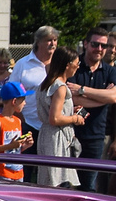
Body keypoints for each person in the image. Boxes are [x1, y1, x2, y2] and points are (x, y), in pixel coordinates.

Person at [68, 28, 116, 189]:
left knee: (89, 186)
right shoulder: (73, 65)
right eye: (95, 44)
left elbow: (113, 97)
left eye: (103, 46)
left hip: (96, 137)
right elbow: (70, 97)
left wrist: (82, 90)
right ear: (85, 44)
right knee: (68, 185)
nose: (99, 49)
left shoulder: (110, 71)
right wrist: (102, 97)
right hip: (70, 134)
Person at [36, 47, 85, 188]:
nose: (78, 67)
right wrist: (75, 119)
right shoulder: (60, 87)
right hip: (57, 138)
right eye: (77, 63)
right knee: (59, 181)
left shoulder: (45, 84)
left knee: (47, 180)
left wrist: (70, 112)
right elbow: (55, 119)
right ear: (67, 65)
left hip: (46, 135)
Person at [9, 25, 59, 151]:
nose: (52, 43)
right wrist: (21, 120)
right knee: (26, 166)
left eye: (55, 40)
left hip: (52, 127)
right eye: (49, 40)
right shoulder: (23, 64)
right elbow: (11, 93)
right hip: (28, 125)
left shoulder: (59, 66)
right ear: (38, 42)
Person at [0, 81, 33, 181]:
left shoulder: (18, 121)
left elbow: (14, 150)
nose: (25, 103)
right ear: (14, 101)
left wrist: (25, 145)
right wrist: (10, 146)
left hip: (18, 173)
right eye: (23, 100)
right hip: (2, 174)